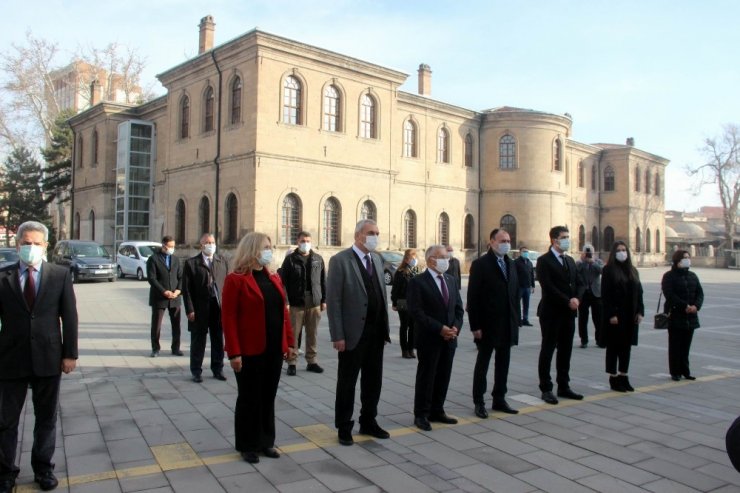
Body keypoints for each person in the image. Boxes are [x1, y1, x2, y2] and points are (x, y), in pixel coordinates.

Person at [0, 221, 78, 493]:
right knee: (6, 421)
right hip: (10, 359)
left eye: (36, 243)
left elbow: (69, 316)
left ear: (45, 245)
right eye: (26, 243)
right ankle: (5, 472)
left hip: (48, 356)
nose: (30, 248)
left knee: (46, 418)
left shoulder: (59, 275)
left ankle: (43, 469)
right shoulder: (3, 277)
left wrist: (70, 354)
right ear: (17, 244)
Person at [221, 232, 296, 464]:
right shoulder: (235, 279)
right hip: (249, 351)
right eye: (266, 246)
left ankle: (266, 441)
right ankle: (247, 444)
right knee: (249, 398)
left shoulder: (273, 278)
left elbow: (284, 312)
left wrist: (290, 343)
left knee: (268, 396)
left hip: (273, 349)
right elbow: (229, 318)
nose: (269, 251)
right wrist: (234, 352)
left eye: (270, 247)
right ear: (253, 249)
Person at [327, 219, 391, 446]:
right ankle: (344, 426)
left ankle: (368, 420)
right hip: (353, 334)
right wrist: (338, 335)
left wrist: (385, 329)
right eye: (370, 232)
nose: (375, 236)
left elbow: (382, 296)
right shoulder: (340, 261)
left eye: (377, 232)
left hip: (376, 333)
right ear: (357, 236)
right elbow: (334, 301)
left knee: (373, 381)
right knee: (347, 382)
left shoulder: (377, 258)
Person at [407, 245, 463, 431]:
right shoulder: (418, 282)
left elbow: (458, 309)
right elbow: (416, 312)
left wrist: (455, 327)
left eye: (446, 257)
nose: (446, 260)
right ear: (431, 259)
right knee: (427, 376)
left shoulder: (451, 280)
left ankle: (437, 410)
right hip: (429, 338)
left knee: (443, 375)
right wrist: (440, 328)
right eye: (442, 257)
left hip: (450, 338)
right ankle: (421, 413)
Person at [468, 229, 521, 418]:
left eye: (508, 240)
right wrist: (475, 326)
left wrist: (517, 320)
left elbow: (514, 294)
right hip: (488, 324)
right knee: (483, 362)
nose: (506, 243)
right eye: (502, 240)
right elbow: (473, 298)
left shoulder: (510, 263)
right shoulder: (481, 264)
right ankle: (479, 401)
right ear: (491, 242)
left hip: (507, 323)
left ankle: (499, 398)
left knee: (503, 362)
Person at [536, 225, 584, 405]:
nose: (567, 240)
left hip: (569, 313)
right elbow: (548, 286)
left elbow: (580, 283)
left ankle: (564, 385)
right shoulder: (544, 261)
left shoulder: (570, 261)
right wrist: (567, 300)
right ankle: (546, 388)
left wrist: (577, 299)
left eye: (568, 236)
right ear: (554, 240)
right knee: (548, 349)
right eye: (564, 237)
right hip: (551, 312)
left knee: (566, 350)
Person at [182, 233, 229, 383]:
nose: (211, 245)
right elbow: (187, 289)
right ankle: (196, 370)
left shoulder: (221, 261)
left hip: (217, 306)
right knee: (198, 340)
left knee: (217, 339)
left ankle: (218, 368)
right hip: (199, 307)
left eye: (213, 242)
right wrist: (190, 309)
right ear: (201, 245)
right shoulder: (192, 263)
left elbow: (226, 286)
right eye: (207, 242)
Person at [280, 231, 326, 376]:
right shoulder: (290, 260)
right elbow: (283, 282)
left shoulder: (318, 259)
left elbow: (323, 281)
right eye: (302, 241)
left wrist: (324, 300)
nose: (305, 243)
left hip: (314, 302)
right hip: (296, 302)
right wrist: (286, 301)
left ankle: (311, 361)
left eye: (307, 240)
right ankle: (292, 362)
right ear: (298, 242)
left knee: (312, 333)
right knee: (294, 333)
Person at [601, 241, 644, 392]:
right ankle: (613, 377)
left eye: (624, 250)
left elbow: (640, 292)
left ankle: (624, 376)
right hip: (616, 316)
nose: (622, 252)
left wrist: (640, 311)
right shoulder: (608, 270)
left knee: (626, 347)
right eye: (619, 250)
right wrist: (611, 314)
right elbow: (606, 294)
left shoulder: (633, 270)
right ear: (614, 253)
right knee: (614, 347)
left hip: (630, 315)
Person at [661, 250, 703, 381]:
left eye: (688, 257)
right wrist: (685, 306)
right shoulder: (669, 276)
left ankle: (685, 371)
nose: (687, 260)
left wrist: (696, 306)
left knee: (686, 346)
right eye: (684, 258)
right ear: (677, 260)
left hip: (691, 316)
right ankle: (675, 372)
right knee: (675, 345)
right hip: (675, 314)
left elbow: (700, 293)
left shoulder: (693, 276)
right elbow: (669, 294)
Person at [146, 236, 183, 357]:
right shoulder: (153, 259)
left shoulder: (176, 259)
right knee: (156, 324)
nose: (172, 249)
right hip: (160, 297)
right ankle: (155, 348)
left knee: (176, 324)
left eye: (173, 246)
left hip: (175, 297)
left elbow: (181, 276)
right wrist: (164, 291)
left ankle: (176, 348)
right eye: (170, 246)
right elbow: (152, 278)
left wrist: (178, 290)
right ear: (163, 246)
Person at [390, 249, 420, 359]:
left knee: (413, 326)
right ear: (406, 259)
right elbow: (395, 289)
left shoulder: (417, 270)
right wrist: (394, 302)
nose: (414, 260)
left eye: (415, 257)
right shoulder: (400, 272)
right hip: (403, 301)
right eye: (412, 258)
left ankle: (411, 348)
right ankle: (404, 350)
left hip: (415, 302)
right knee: (404, 326)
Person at [575, 243, 604, 348]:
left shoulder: (598, 262)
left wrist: (592, 262)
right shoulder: (579, 263)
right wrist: (583, 262)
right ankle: (584, 340)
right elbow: (575, 273)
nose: (588, 255)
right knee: (583, 318)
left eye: (590, 252)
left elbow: (602, 271)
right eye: (586, 253)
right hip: (583, 294)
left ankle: (599, 339)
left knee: (598, 318)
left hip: (596, 293)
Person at [514, 245, 535, 327]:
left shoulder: (529, 262)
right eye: (524, 251)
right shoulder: (516, 262)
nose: (525, 253)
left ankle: (525, 319)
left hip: (527, 287)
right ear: (520, 252)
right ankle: (517, 320)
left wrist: (532, 285)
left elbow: (532, 275)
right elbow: (514, 275)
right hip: (519, 287)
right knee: (517, 304)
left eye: (526, 252)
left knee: (526, 304)